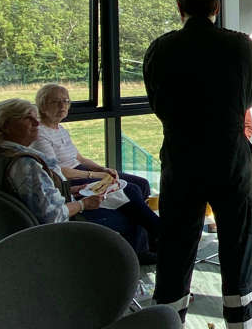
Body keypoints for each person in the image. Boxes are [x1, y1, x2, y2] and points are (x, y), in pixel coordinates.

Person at [143, 0, 252, 329]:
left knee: (176, 249)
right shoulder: (240, 46)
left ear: (180, 8)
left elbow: (156, 100)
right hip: (230, 162)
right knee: (238, 247)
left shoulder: (162, 49)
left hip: (181, 161)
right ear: (216, 7)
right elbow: (251, 96)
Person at [32, 83, 161, 264]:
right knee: (131, 190)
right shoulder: (40, 134)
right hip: (68, 181)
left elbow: (80, 158)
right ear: (42, 105)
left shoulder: (59, 129)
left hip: (81, 171)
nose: (62, 106)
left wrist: (102, 169)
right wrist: (95, 176)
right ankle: (154, 237)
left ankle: (147, 239)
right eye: (56, 102)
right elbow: (58, 172)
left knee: (142, 184)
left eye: (66, 101)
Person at [0, 98, 104, 224]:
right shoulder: (24, 164)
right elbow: (53, 216)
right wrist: (84, 204)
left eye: (36, 117)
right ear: (5, 126)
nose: (37, 123)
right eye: (27, 118)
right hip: (53, 236)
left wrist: (68, 191)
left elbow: (27, 196)